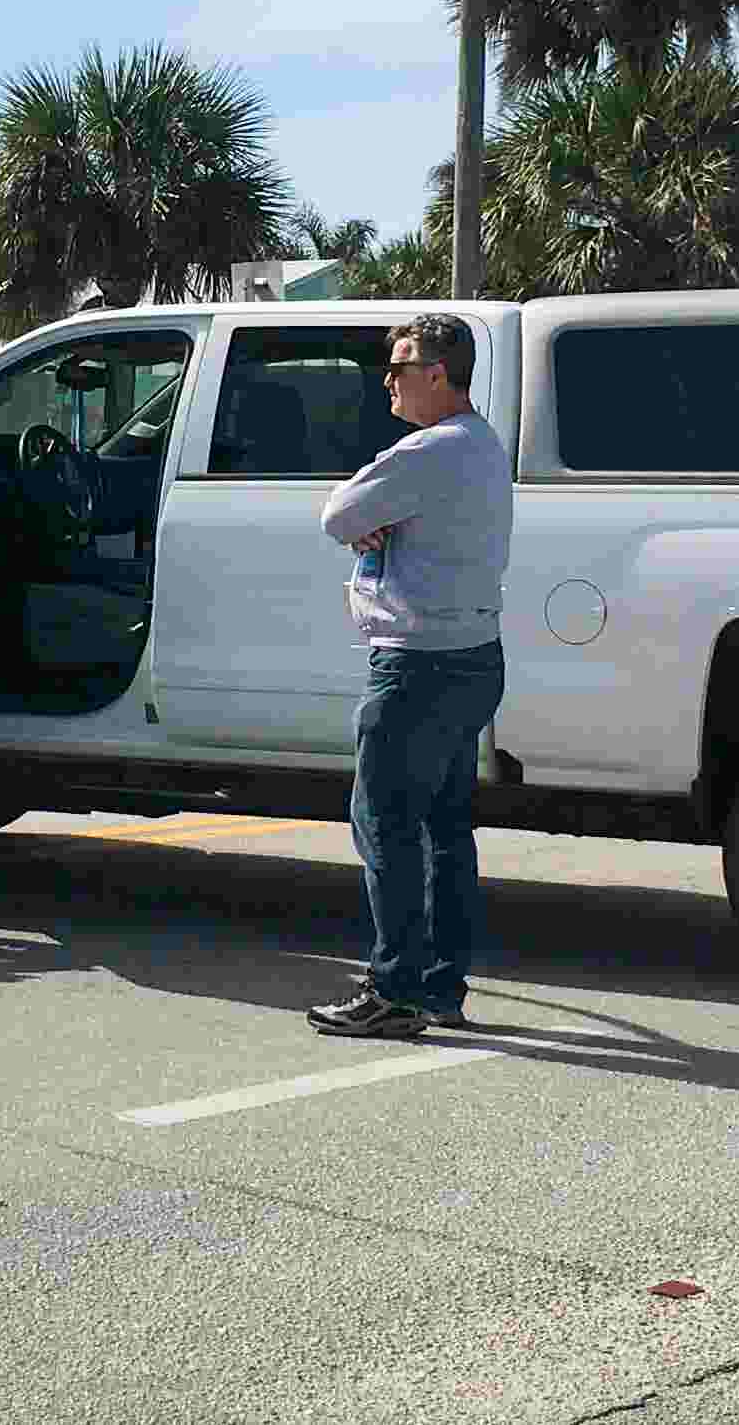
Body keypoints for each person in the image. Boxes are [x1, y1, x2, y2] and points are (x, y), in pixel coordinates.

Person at [306, 314, 514, 1038]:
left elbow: (338, 514)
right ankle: (438, 988)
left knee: (385, 824)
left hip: (417, 665)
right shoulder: (481, 445)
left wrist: (371, 521)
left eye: (399, 366)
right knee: (444, 831)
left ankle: (392, 988)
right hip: (473, 658)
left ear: (436, 373)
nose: (387, 379)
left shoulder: (427, 450)